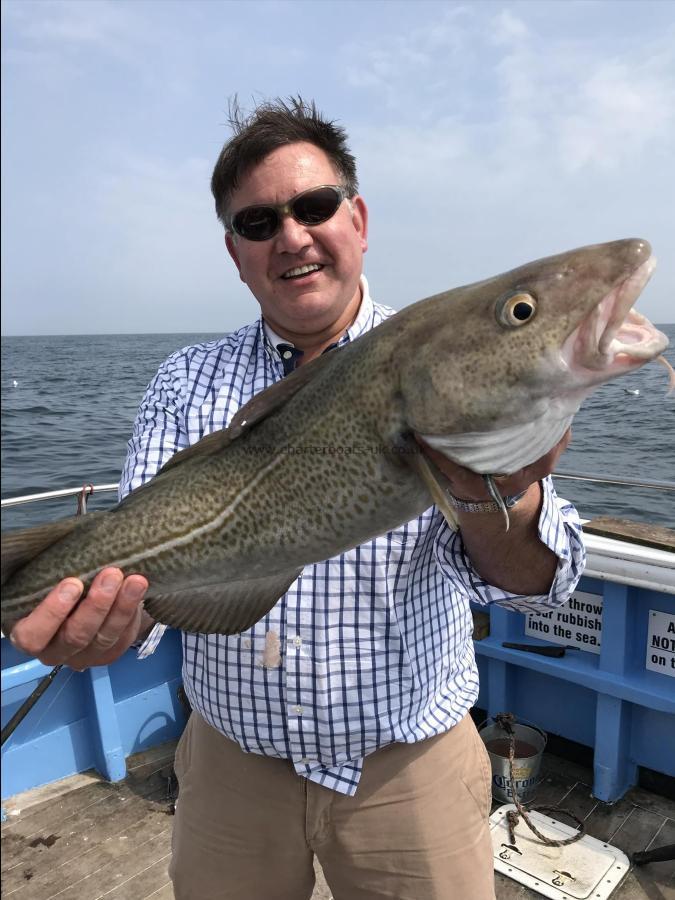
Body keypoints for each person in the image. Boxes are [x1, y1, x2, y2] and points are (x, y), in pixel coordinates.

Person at [9, 97, 585, 900]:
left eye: (314, 207)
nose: (291, 235)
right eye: (257, 222)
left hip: (408, 770)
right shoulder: (183, 382)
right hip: (228, 768)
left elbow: (532, 580)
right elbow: (143, 585)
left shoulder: (433, 358)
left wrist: (499, 494)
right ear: (234, 251)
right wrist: (100, 624)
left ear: (357, 219)